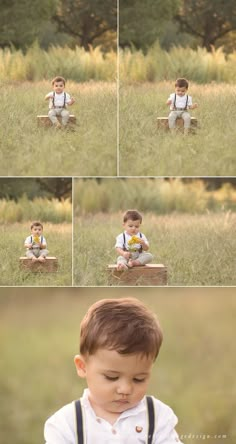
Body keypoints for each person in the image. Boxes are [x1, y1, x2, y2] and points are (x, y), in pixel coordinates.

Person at [44, 297, 184, 444]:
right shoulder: (66, 424)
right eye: (111, 377)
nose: (126, 389)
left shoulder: (157, 416)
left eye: (139, 379)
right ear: (82, 366)